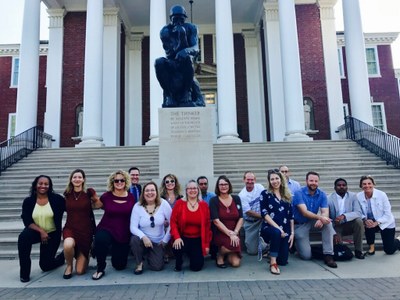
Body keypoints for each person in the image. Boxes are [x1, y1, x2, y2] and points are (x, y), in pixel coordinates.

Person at [154, 5, 205, 108]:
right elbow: (172, 54)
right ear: (170, 19)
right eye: (175, 19)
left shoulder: (191, 28)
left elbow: (195, 48)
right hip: (172, 63)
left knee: (186, 57)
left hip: (186, 64)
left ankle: (187, 92)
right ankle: (169, 95)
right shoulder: (165, 31)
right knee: (158, 62)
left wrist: (186, 49)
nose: (178, 22)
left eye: (181, 19)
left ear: (185, 18)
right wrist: (181, 35)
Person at [18, 175, 65, 282]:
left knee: (45, 266)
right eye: (40, 183)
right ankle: (24, 273)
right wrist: (41, 231)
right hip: (35, 231)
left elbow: (72, 209)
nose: (43, 186)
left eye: (46, 184)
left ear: (50, 186)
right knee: (23, 238)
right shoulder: (28, 201)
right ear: (35, 185)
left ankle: (62, 257)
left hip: (52, 234)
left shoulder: (57, 199)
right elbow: (27, 221)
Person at [92, 170, 135, 280]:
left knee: (119, 266)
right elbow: (97, 205)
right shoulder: (106, 196)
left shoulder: (131, 197)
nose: (119, 182)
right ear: (112, 182)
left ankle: (110, 249)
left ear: (126, 182)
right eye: (116, 180)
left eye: (122, 180)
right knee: (101, 239)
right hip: (107, 228)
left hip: (123, 232)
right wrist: (92, 197)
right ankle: (100, 268)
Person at [62, 169, 102, 279]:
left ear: (83, 179)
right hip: (70, 228)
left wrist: (94, 197)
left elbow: (99, 205)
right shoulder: (67, 194)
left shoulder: (88, 192)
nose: (77, 179)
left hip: (85, 231)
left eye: (79, 177)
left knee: (80, 272)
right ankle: (69, 266)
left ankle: (85, 253)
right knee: (68, 244)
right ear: (71, 179)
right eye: (74, 177)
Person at [292, 171, 337, 268]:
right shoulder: (298, 193)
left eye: (316, 181)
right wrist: (320, 217)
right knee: (306, 256)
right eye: (311, 180)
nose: (314, 183)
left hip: (312, 222)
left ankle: (328, 255)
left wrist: (322, 219)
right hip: (299, 224)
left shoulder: (322, 194)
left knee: (327, 223)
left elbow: (325, 211)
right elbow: (304, 212)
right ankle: (296, 244)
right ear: (306, 181)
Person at [130, 182, 172, 274]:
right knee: (134, 239)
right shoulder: (137, 206)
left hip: (158, 242)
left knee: (157, 267)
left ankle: (152, 255)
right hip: (143, 241)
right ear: (143, 193)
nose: (150, 193)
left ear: (156, 192)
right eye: (147, 190)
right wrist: (144, 237)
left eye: (152, 190)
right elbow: (133, 227)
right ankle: (139, 263)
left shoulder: (163, 204)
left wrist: (165, 240)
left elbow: (172, 223)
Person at [170, 180, 212, 272]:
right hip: (183, 238)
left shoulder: (204, 205)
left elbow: (207, 226)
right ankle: (180, 259)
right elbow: (173, 222)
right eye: (190, 188)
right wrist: (177, 237)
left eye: (194, 188)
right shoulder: (179, 203)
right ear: (186, 190)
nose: (192, 190)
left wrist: (206, 245)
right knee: (178, 260)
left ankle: (191, 254)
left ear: (198, 190)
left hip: (197, 239)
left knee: (196, 267)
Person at [259, 169, 294, 275]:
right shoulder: (265, 194)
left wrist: (292, 233)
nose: (275, 181)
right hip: (269, 227)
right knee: (276, 232)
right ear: (269, 181)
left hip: (285, 229)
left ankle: (270, 250)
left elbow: (290, 216)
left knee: (283, 261)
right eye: (272, 179)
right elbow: (264, 214)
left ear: (281, 179)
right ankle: (273, 263)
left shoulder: (287, 195)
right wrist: (278, 229)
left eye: (277, 178)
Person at [357, 175, 400, 255]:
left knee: (389, 250)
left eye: (369, 183)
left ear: (373, 184)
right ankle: (371, 247)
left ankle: (398, 240)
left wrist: (377, 222)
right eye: (364, 184)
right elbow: (358, 211)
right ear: (361, 186)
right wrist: (364, 219)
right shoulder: (358, 196)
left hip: (385, 222)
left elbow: (387, 214)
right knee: (368, 223)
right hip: (370, 222)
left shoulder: (382, 195)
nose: (367, 186)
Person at [209, 175, 243, 268]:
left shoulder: (236, 199)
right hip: (220, 232)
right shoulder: (214, 200)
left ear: (229, 185)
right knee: (229, 245)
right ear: (218, 187)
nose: (223, 186)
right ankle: (220, 255)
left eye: (225, 184)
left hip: (234, 231)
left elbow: (241, 218)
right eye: (221, 184)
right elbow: (216, 221)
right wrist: (229, 234)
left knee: (236, 264)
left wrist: (235, 232)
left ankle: (227, 253)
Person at [327, 178, 365, 259]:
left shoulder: (353, 196)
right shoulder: (329, 198)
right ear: (334, 188)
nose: (341, 187)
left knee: (359, 221)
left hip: (349, 224)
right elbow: (327, 217)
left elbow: (358, 212)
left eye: (344, 185)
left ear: (347, 187)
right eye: (339, 185)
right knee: (339, 248)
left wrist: (344, 216)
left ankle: (358, 250)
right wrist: (333, 232)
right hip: (336, 226)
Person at [238, 171, 265, 255]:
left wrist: (266, 217)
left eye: (252, 179)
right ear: (244, 180)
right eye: (248, 179)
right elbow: (248, 212)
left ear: (255, 180)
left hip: (262, 221)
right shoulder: (242, 195)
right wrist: (264, 216)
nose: (250, 181)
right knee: (252, 251)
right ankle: (263, 246)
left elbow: (266, 200)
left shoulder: (260, 187)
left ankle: (267, 246)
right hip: (251, 223)